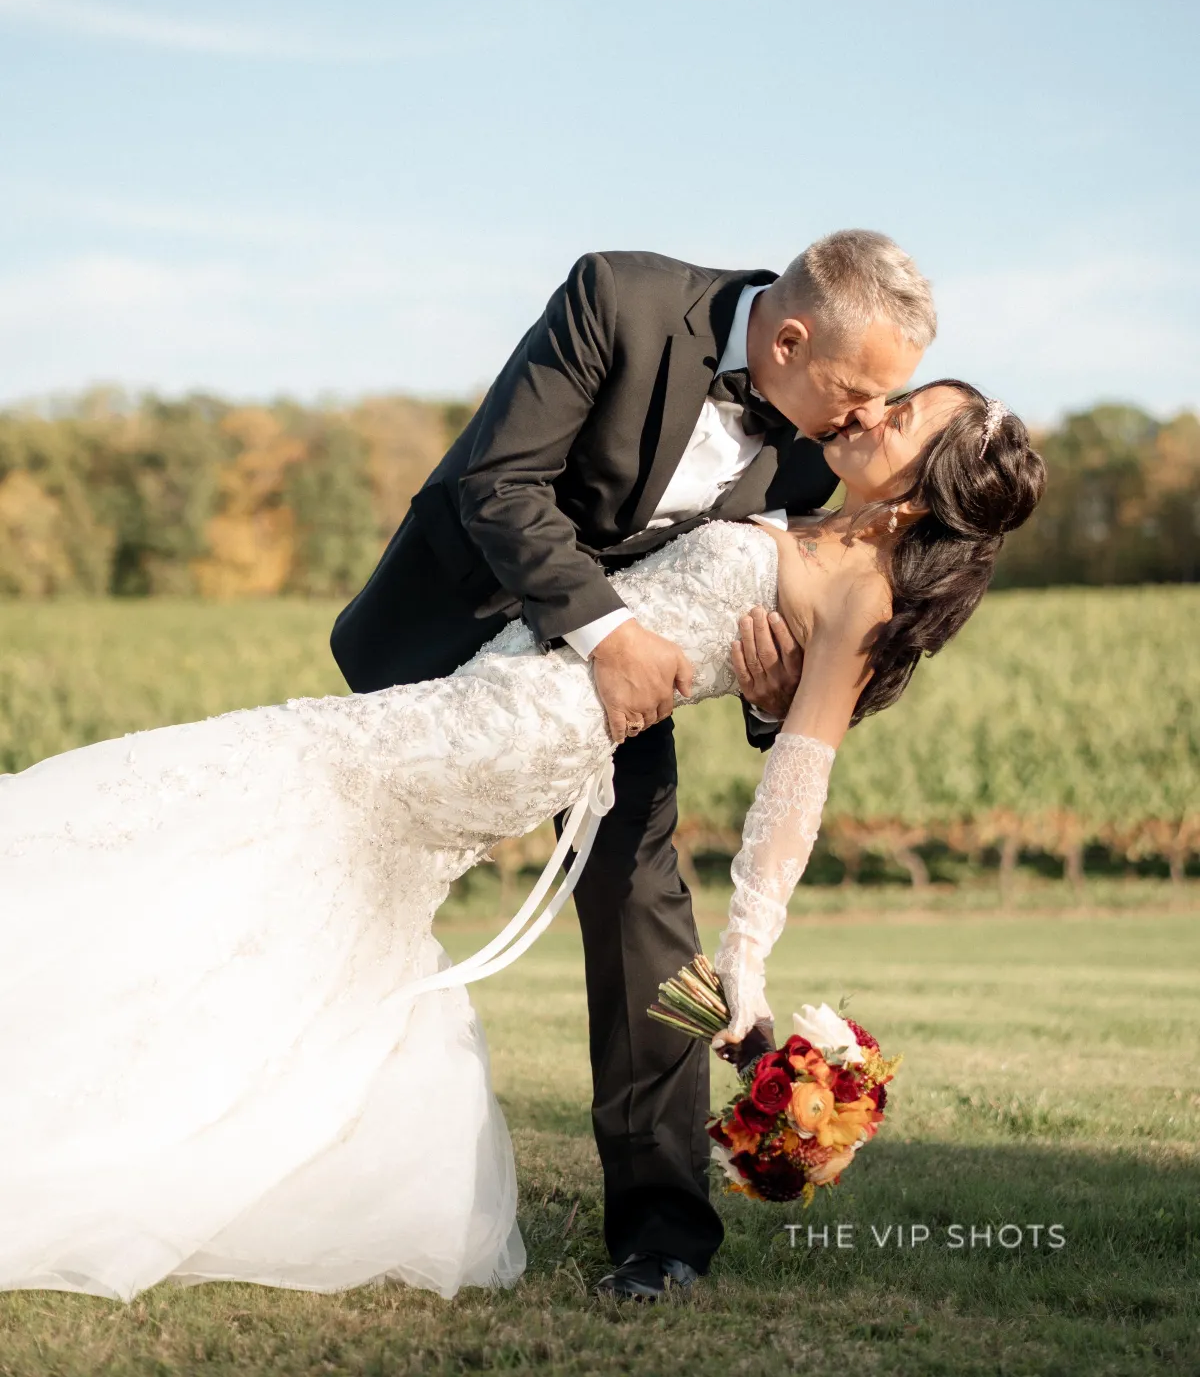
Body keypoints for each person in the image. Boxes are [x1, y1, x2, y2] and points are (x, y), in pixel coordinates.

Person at [0, 363, 1043, 1305]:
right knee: (298, 859)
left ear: (921, 490)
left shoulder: (865, 598)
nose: (874, 410)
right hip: (501, 675)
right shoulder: (808, 497)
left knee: (266, 780)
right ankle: (170, 1110)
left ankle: (660, 1231)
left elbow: (798, 782)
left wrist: (747, 959)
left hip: (528, 729)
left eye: (905, 416)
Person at [329, 231, 934, 1295]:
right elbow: (499, 483)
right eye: (857, 392)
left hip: (619, 696)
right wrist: (609, 636)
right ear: (790, 340)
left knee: (644, 905)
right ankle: (310, 1147)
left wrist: (768, 698)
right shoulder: (618, 297)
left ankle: (663, 1236)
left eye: (886, 401)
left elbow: (777, 609)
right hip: (453, 640)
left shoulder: (815, 446)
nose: (865, 420)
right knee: (355, 883)